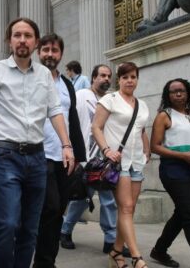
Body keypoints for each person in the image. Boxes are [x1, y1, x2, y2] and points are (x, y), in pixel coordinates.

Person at [0, 17, 75, 268]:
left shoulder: (43, 74)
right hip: (4, 156)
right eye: (17, 35)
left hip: (36, 159)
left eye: (27, 35)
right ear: (10, 40)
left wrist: (66, 145)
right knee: (7, 224)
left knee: (31, 227)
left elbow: (55, 111)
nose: (22, 40)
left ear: (35, 42)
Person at [33, 34, 86, 268]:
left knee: (57, 212)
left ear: (61, 54)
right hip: (37, 154)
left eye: (54, 50)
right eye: (45, 50)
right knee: (51, 207)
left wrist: (77, 155)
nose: (50, 55)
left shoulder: (67, 85)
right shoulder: (29, 78)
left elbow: (71, 119)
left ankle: (46, 261)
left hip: (64, 157)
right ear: (38, 52)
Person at [61, 64, 125, 255]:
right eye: (102, 75)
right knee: (80, 199)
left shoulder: (110, 100)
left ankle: (110, 239)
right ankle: (65, 231)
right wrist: (72, 150)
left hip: (104, 159)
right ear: (93, 78)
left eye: (108, 76)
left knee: (107, 200)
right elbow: (71, 122)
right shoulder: (81, 95)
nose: (106, 79)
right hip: (85, 158)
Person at [149, 78, 190, 268]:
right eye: (173, 91)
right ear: (167, 95)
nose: (178, 94)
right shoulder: (164, 115)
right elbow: (154, 147)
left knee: (182, 213)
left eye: (182, 91)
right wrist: (182, 156)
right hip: (174, 171)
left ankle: (159, 250)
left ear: (187, 93)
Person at [92, 62, 150, 268]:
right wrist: (107, 150)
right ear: (119, 80)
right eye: (125, 77)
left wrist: (147, 149)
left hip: (136, 161)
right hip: (118, 163)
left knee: (130, 208)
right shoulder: (110, 99)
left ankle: (116, 251)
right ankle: (136, 257)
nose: (129, 81)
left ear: (137, 79)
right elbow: (96, 127)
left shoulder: (142, 105)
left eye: (133, 77)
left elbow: (141, 129)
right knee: (125, 207)